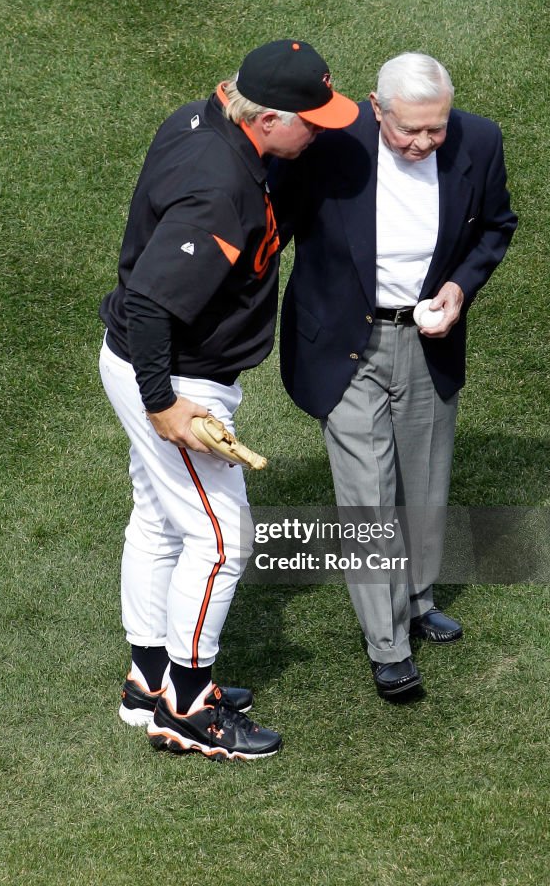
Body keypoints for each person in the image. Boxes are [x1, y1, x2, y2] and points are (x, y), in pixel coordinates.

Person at [99, 40, 358, 760]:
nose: (322, 130)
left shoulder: (202, 117)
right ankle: (187, 708)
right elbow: (151, 302)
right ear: (267, 117)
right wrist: (166, 407)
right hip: (174, 377)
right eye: (312, 119)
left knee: (158, 518)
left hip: (152, 364)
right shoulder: (219, 184)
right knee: (221, 540)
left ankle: (148, 679)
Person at [270, 52, 517, 701]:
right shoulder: (326, 143)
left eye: (435, 129)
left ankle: (416, 595)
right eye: (409, 129)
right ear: (376, 109)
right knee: (368, 496)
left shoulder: (479, 139)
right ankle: (387, 643)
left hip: (427, 338)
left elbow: (495, 226)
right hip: (343, 344)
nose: (424, 143)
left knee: (425, 482)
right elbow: (269, 216)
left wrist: (460, 291)